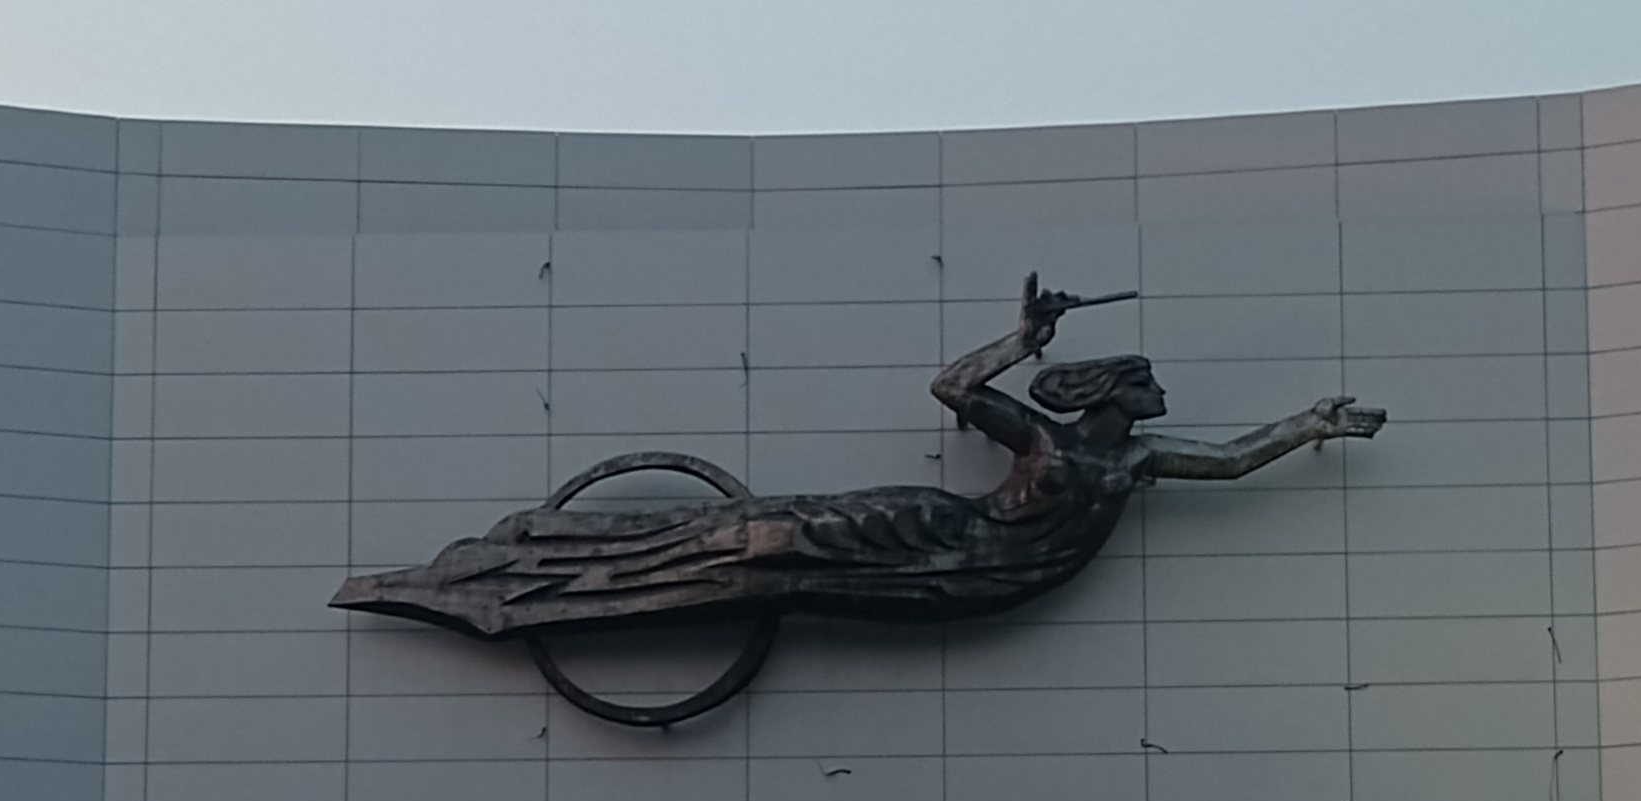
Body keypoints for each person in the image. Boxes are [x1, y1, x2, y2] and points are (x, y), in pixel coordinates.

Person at [333, 274, 1384, 640]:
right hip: (936, 533)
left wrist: (1309, 426)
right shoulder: (1048, 437)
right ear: (1111, 393)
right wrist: (1024, 340)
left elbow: (1237, 461)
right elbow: (955, 390)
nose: (1159, 400)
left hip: (971, 581)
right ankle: (545, 566)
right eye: (1146, 386)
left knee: (771, 555)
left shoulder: (1137, 465)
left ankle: (549, 573)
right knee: (763, 537)